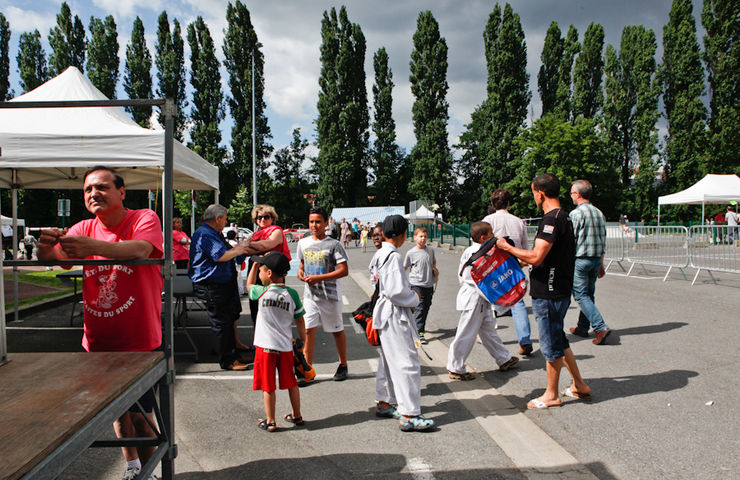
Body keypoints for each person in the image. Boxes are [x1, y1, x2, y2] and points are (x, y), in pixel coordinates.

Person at [36, 166, 163, 480]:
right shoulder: (83, 227)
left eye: (102, 187)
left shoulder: (143, 218)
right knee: (117, 411)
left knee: (141, 415)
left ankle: (150, 472)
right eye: (88, 189)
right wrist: (44, 245)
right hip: (97, 342)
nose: (94, 194)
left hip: (140, 341)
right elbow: (51, 258)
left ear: (121, 192)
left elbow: (141, 249)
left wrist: (93, 248)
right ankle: (133, 468)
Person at [495, 173, 591, 409]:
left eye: (533, 193)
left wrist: (507, 247)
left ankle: (551, 394)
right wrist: (522, 260)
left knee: (550, 344)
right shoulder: (563, 217)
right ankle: (579, 384)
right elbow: (548, 256)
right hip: (558, 287)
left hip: (549, 291)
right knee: (559, 339)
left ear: (539, 192)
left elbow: (538, 256)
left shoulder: (551, 219)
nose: (533, 197)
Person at [371, 214, 435, 431]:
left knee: (388, 361)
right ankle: (409, 413)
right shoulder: (394, 256)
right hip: (395, 313)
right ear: (401, 234)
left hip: (385, 313)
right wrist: (414, 297)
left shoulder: (380, 254)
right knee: (407, 362)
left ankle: (384, 402)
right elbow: (396, 291)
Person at [447, 222, 519, 380]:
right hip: (475, 298)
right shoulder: (482, 252)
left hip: (475, 296)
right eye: (491, 233)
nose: (493, 236)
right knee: (466, 333)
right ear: (483, 237)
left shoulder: (470, 251)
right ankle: (455, 367)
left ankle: (503, 358)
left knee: (488, 331)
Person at [246, 251, 307, 432]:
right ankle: (297, 415)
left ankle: (271, 420)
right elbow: (300, 319)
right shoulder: (292, 294)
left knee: (268, 385)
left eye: (262, 271)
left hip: (265, 347)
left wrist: (254, 265)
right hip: (285, 347)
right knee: (291, 382)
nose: (259, 275)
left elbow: (249, 284)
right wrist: (303, 339)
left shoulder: (261, 292)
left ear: (269, 273)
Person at [189, 204, 250, 371]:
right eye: (224, 218)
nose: (226, 221)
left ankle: (233, 355)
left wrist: (238, 250)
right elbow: (221, 256)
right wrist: (239, 250)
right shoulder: (205, 234)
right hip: (213, 284)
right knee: (222, 322)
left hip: (221, 283)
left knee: (228, 319)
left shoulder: (211, 233)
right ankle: (228, 360)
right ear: (217, 218)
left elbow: (226, 253)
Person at [297, 206, 350, 384]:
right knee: (308, 331)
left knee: (336, 331)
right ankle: (308, 369)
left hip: (330, 296)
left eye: (318, 221)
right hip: (310, 295)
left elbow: (344, 271)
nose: (314, 225)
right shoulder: (303, 243)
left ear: (326, 223)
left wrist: (319, 278)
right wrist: (300, 273)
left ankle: (343, 364)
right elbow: (302, 265)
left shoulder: (335, 244)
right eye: (311, 221)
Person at [482, 188, 534, 355]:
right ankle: (524, 339)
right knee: (517, 302)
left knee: (488, 301)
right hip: (514, 264)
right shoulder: (518, 222)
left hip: (493, 266)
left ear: (492, 204)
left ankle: (488, 338)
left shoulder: (487, 221)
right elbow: (525, 247)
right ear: (509, 203)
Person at [568, 180, 611, 345]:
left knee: (580, 295)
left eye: (572, 193)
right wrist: (601, 263)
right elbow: (602, 239)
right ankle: (582, 327)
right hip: (595, 259)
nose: (571, 196)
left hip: (581, 259)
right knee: (589, 294)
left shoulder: (576, 214)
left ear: (578, 194)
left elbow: (572, 240)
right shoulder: (599, 213)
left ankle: (600, 327)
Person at [245, 205, 291, 349]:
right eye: (259, 217)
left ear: (272, 218)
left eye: (266, 217)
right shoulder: (254, 235)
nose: (263, 220)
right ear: (255, 220)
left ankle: (277, 341)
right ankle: (260, 341)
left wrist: (247, 245)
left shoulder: (276, 231)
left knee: (275, 307)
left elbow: (267, 244)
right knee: (256, 307)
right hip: (256, 271)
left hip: (273, 274)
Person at [403, 227, 438, 345]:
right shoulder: (411, 253)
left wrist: (435, 270)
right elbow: (405, 267)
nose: (423, 239)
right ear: (415, 237)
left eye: (425, 237)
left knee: (426, 306)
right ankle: (419, 332)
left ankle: (414, 324)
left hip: (429, 283)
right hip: (416, 284)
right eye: (420, 236)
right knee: (421, 307)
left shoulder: (431, 250)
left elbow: (433, 263)